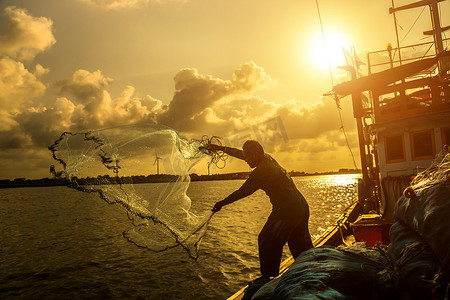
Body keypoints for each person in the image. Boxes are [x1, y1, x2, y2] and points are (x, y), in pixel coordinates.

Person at [208, 140, 313, 280]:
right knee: (302, 251)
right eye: (245, 156)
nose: (246, 160)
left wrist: (222, 203)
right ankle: (311, 274)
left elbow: (242, 192)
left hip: (287, 212)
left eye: (248, 156)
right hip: (300, 207)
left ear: (257, 154)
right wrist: (220, 148)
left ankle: (268, 279)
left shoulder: (261, 172)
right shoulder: (267, 158)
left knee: (267, 240)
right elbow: (239, 153)